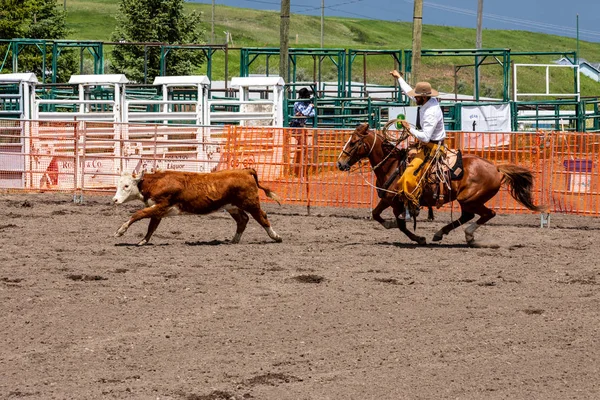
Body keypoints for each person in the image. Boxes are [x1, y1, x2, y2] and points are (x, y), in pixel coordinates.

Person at [390, 69, 446, 213]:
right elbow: (409, 92)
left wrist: (409, 128)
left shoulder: (431, 112)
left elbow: (425, 137)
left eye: (417, 96)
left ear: (423, 97)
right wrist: (399, 78)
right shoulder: (428, 101)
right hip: (428, 143)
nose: (415, 98)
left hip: (432, 147)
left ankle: (412, 205)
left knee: (409, 174)